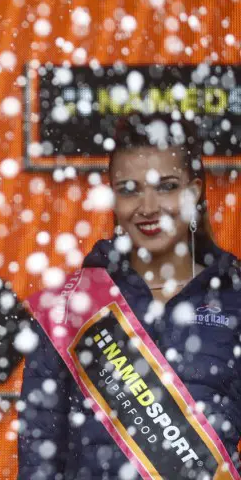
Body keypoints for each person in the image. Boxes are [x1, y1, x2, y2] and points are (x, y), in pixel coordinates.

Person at [18, 116, 241, 479]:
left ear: (194, 191)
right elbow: (38, 462)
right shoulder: (71, 306)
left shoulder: (234, 300)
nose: (148, 207)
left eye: (166, 187)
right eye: (129, 189)